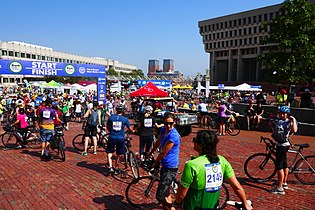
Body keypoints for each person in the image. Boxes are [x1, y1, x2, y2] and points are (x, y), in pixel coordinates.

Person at [174, 130, 252, 210]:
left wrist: (176, 203)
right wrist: (245, 202)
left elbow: (181, 195)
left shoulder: (192, 165)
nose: (193, 142)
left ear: (200, 145)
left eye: (195, 140)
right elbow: (237, 186)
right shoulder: (222, 161)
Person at [147, 112, 181, 210]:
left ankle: (172, 208)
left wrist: (155, 162)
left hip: (170, 166)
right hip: (165, 164)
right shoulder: (163, 130)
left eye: (171, 123)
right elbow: (158, 142)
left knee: (160, 195)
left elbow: (163, 152)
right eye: (166, 123)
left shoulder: (173, 135)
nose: (168, 126)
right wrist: (151, 152)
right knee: (166, 191)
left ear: (174, 122)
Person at [270, 106, 297, 195]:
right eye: (281, 113)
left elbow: (294, 130)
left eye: (284, 113)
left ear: (287, 114)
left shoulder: (289, 122)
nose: (282, 115)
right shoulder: (279, 121)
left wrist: (293, 120)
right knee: (285, 165)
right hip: (281, 144)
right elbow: (272, 125)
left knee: (279, 167)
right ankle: (284, 183)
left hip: (283, 146)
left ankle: (280, 188)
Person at [106, 104, 133, 173]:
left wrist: (111, 131)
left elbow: (108, 127)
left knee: (109, 152)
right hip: (121, 137)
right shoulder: (125, 119)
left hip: (112, 137)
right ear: (122, 111)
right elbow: (130, 128)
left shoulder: (111, 118)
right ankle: (116, 166)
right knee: (119, 153)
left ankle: (110, 166)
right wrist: (134, 131)